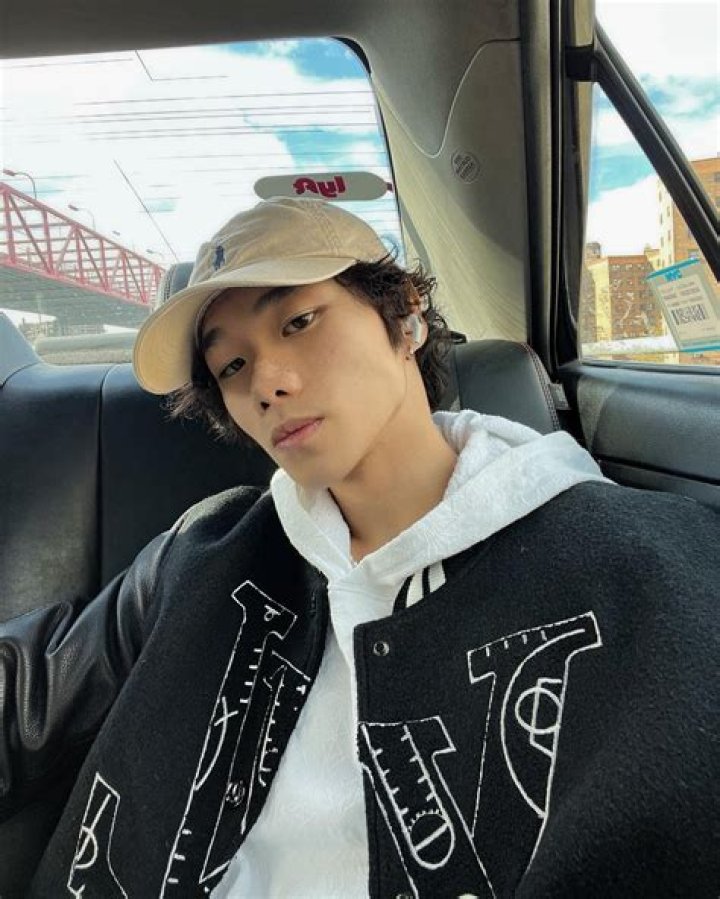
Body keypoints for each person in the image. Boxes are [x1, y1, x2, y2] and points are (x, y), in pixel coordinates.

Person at [1, 197, 717, 898]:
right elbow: (30, 694)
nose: (267, 384)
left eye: (299, 321)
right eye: (232, 367)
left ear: (405, 316)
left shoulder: (638, 567)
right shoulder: (203, 551)